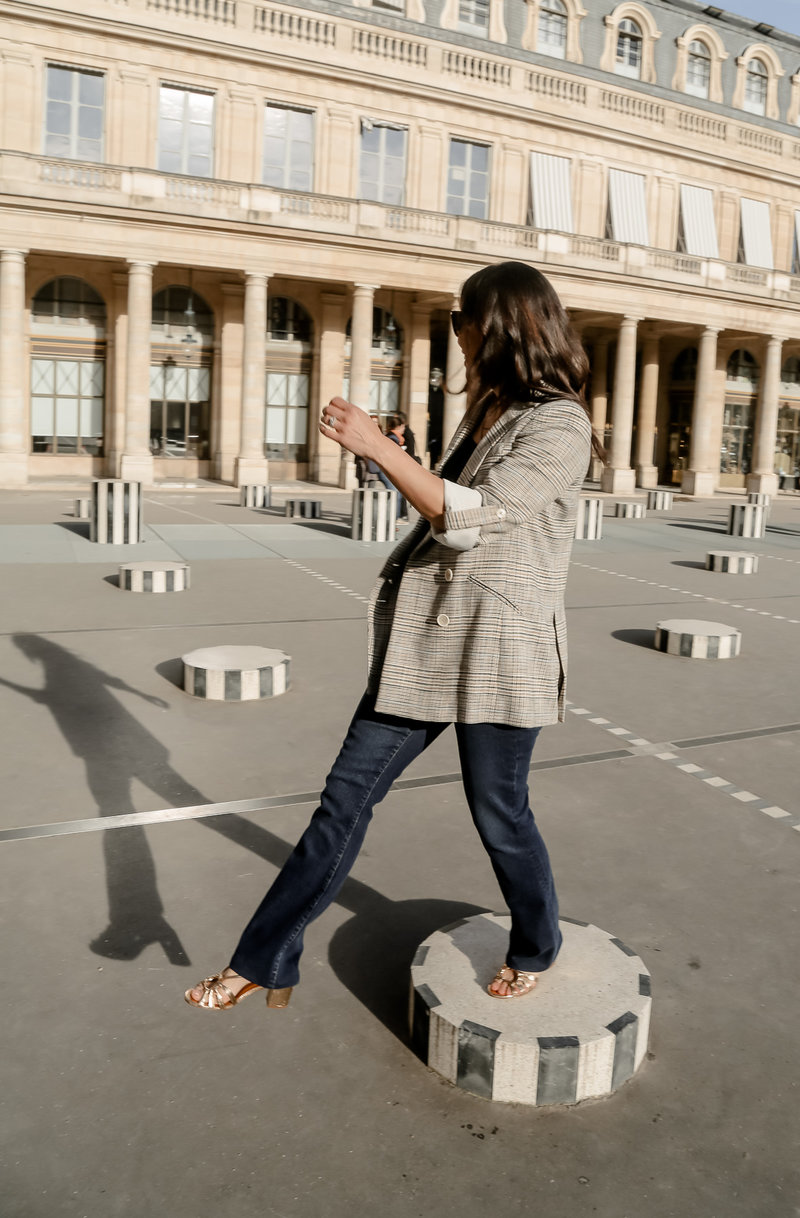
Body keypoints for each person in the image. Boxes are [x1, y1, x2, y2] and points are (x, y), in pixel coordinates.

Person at [185, 261, 602, 1012]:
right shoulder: (492, 412)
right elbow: (439, 504)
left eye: (459, 320)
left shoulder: (560, 422)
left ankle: (537, 942)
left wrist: (383, 448)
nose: (457, 336)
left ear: (498, 324)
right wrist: (394, 458)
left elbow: (474, 517)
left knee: (499, 811)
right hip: (429, 644)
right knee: (342, 800)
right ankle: (263, 961)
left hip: (498, 648)